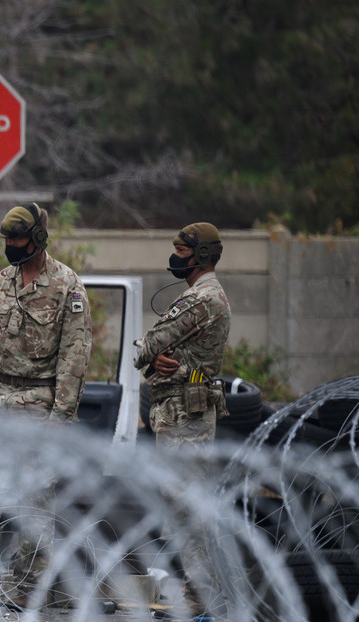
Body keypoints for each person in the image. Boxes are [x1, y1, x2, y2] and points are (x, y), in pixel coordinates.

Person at [0, 203, 92, 610]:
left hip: (41, 405)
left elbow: (74, 357)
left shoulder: (66, 286)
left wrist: (61, 417)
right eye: (6, 239)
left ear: (37, 239)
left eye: (17, 239)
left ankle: (28, 584)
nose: (10, 246)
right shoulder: (2, 283)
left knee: (35, 501)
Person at [134, 222, 230, 617]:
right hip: (178, 413)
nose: (175, 257)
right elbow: (161, 353)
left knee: (188, 508)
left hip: (186, 417)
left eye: (182, 251)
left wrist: (148, 353)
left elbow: (147, 345)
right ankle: (200, 593)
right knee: (180, 508)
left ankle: (205, 595)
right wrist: (157, 359)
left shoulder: (202, 298)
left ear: (202, 255)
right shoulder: (198, 296)